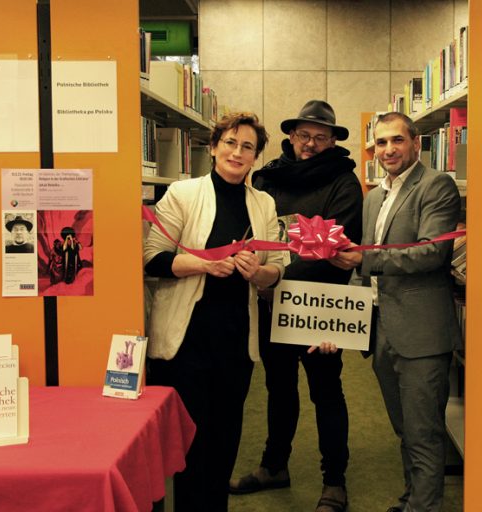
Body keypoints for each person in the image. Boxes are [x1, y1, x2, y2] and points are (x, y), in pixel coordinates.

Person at [143, 112, 285, 512]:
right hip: (186, 342)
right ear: (213, 147)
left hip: (236, 341)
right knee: (191, 448)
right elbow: (152, 258)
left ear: (255, 157)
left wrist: (258, 273)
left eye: (247, 147)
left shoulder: (264, 203)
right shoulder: (182, 194)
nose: (237, 153)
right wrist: (203, 264)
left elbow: (278, 270)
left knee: (224, 442)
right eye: (230, 143)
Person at [229, 100, 363, 512]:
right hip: (272, 301)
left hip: (321, 305)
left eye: (321, 137)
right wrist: (270, 273)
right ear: (291, 136)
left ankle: (335, 481)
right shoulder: (267, 178)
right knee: (279, 388)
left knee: (327, 392)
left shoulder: (344, 182)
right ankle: (274, 466)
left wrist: (276, 268)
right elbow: (253, 235)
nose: (310, 144)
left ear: (333, 141)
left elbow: (336, 249)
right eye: (304, 135)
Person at [332, 112, 462, 512]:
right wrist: (344, 323)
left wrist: (363, 259)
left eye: (397, 140)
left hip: (421, 334)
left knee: (424, 432)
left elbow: (431, 252)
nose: (388, 150)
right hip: (383, 330)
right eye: (381, 143)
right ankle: (412, 500)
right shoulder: (374, 196)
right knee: (404, 428)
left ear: (416, 143)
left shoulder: (436, 185)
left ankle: (423, 507)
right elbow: (365, 268)